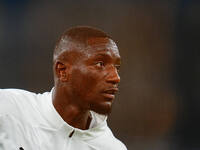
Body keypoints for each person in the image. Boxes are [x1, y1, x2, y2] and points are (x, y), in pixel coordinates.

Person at [0, 26, 127, 150]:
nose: (116, 77)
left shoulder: (112, 147)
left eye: (117, 67)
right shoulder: (8, 109)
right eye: (100, 64)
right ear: (62, 71)